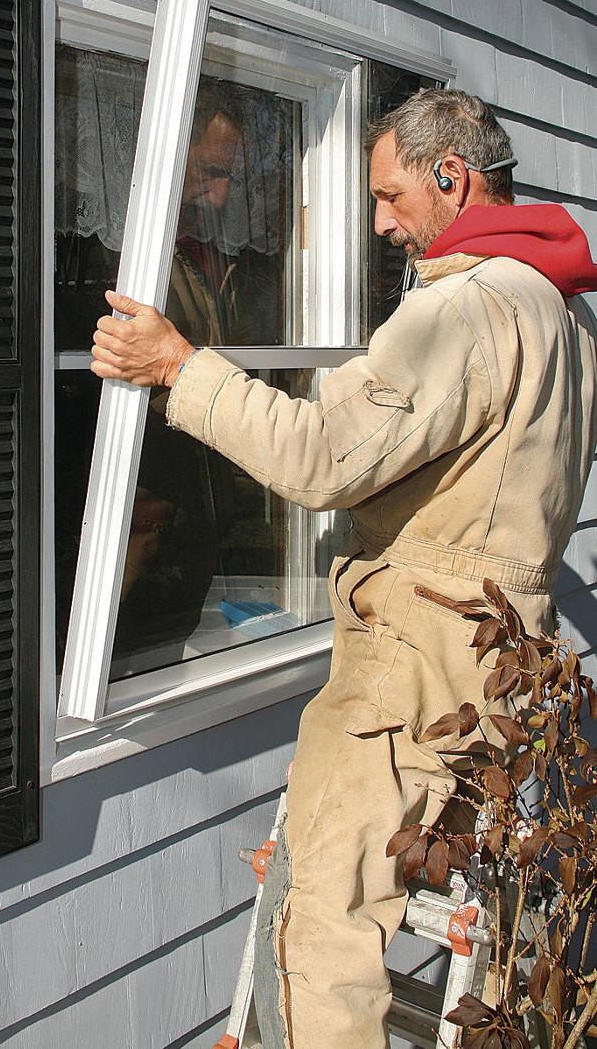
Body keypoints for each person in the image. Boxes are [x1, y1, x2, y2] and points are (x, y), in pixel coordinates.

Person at [90, 88, 597, 1049]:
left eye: (392, 195)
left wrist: (176, 367)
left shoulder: (467, 310)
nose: (379, 223)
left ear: (453, 176)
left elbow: (321, 455)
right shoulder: (565, 318)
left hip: (413, 668)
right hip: (500, 662)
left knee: (323, 924)